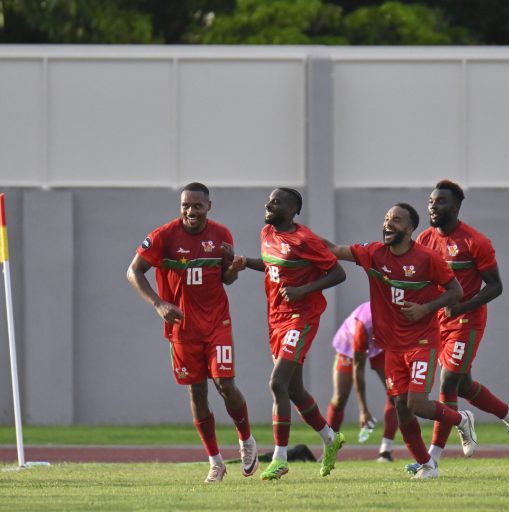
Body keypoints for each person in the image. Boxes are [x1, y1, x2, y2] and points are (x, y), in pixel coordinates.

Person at [325, 202, 477, 480]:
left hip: (422, 342)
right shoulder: (373, 253)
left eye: (396, 220)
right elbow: (334, 250)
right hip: (392, 347)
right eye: (386, 218)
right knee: (401, 408)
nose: (388, 223)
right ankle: (427, 466)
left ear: (409, 228)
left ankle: (462, 419)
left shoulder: (427, 258)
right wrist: (300, 237)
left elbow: (456, 291)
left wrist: (426, 308)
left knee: (417, 403)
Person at [126, 182, 257, 483]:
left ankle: (246, 441)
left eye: (197, 205)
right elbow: (133, 271)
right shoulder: (163, 236)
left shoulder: (221, 234)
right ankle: (215, 461)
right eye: (186, 205)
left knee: (225, 383)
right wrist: (159, 304)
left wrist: (234, 268)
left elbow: (227, 278)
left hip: (217, 323)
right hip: (182, 329)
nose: (190, 211)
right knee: (196, 390)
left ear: (209, 206)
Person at [406, 179, 509, 473]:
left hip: (466, 320)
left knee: (448, 381)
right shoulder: (424, 239)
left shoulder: (475, 242)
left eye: (441, 201)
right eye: (431, 201)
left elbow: (496, 286)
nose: (434, 206)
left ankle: (433, 456)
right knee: (464, 384)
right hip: (438, 320)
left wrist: (461, 306)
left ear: (457, 206)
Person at [232, 188, 346, 481]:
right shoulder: (267, 232)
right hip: (276, 320)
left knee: (277, 383)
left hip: (302, 318)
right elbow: (272, 267)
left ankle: (280, 457)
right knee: (294, 390)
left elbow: (337, 273)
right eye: (269, 200)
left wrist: (302, 290)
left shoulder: (305, 239)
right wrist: (246, 262)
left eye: (277, 201)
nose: (269, 204)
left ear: (294, 209)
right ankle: (331, 438)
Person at [325, 301, 400, 462]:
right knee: (340, 398)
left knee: (396, 393)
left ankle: (385, 451)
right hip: (349, 343)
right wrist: (363, 410)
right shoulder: (363, 328)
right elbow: (358, 372)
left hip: (379, 344)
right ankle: (329, 451)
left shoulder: (397, 314)